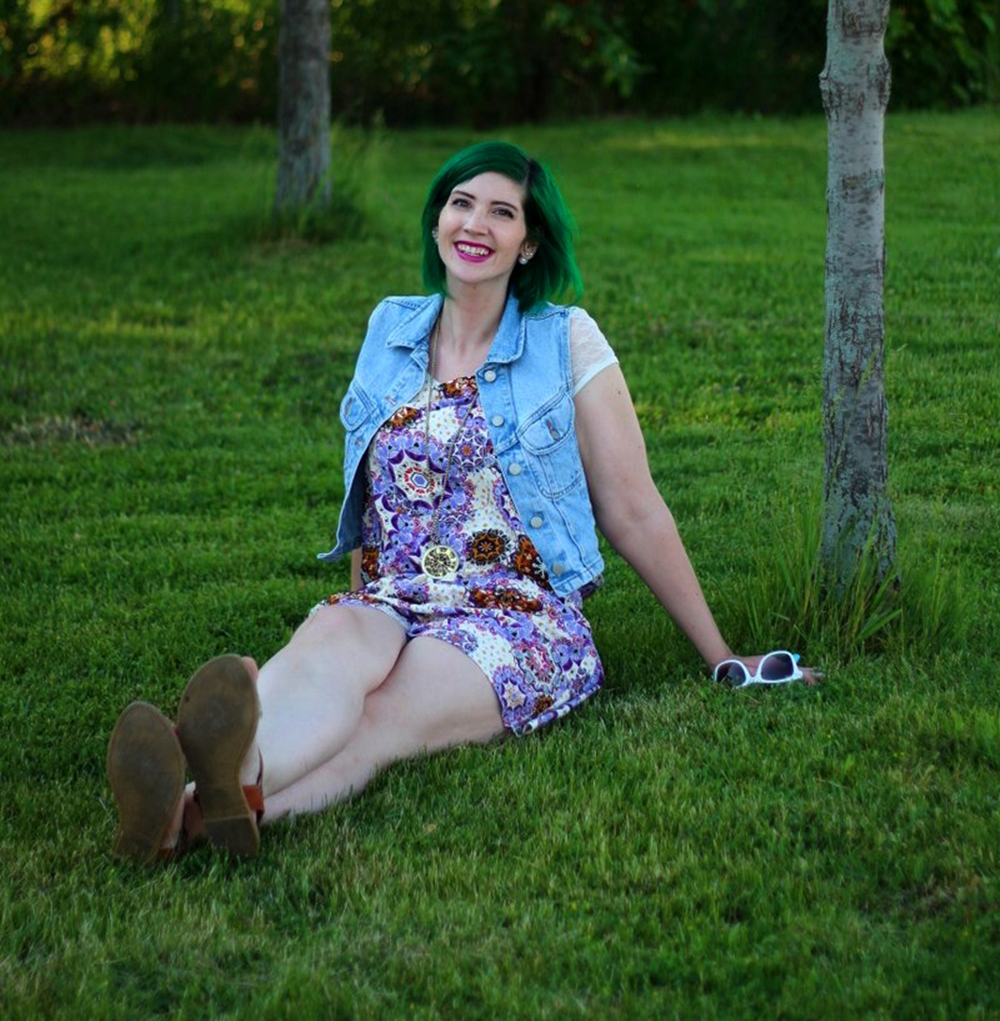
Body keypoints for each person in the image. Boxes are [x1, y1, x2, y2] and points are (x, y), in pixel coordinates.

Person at [106, 141, 818, 863]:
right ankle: (242, 769)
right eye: (461, 203)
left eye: (501, 212)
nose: (475, 224)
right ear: (438, 219)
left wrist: (725, 655)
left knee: (380, 722)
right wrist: (360, 610)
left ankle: (193, 813)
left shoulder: (565, 340)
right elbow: (375, 489)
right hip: (394, 594)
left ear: (529, 242)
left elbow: (633, 510)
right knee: (326, 660)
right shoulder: (391, 329)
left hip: (514, 616)